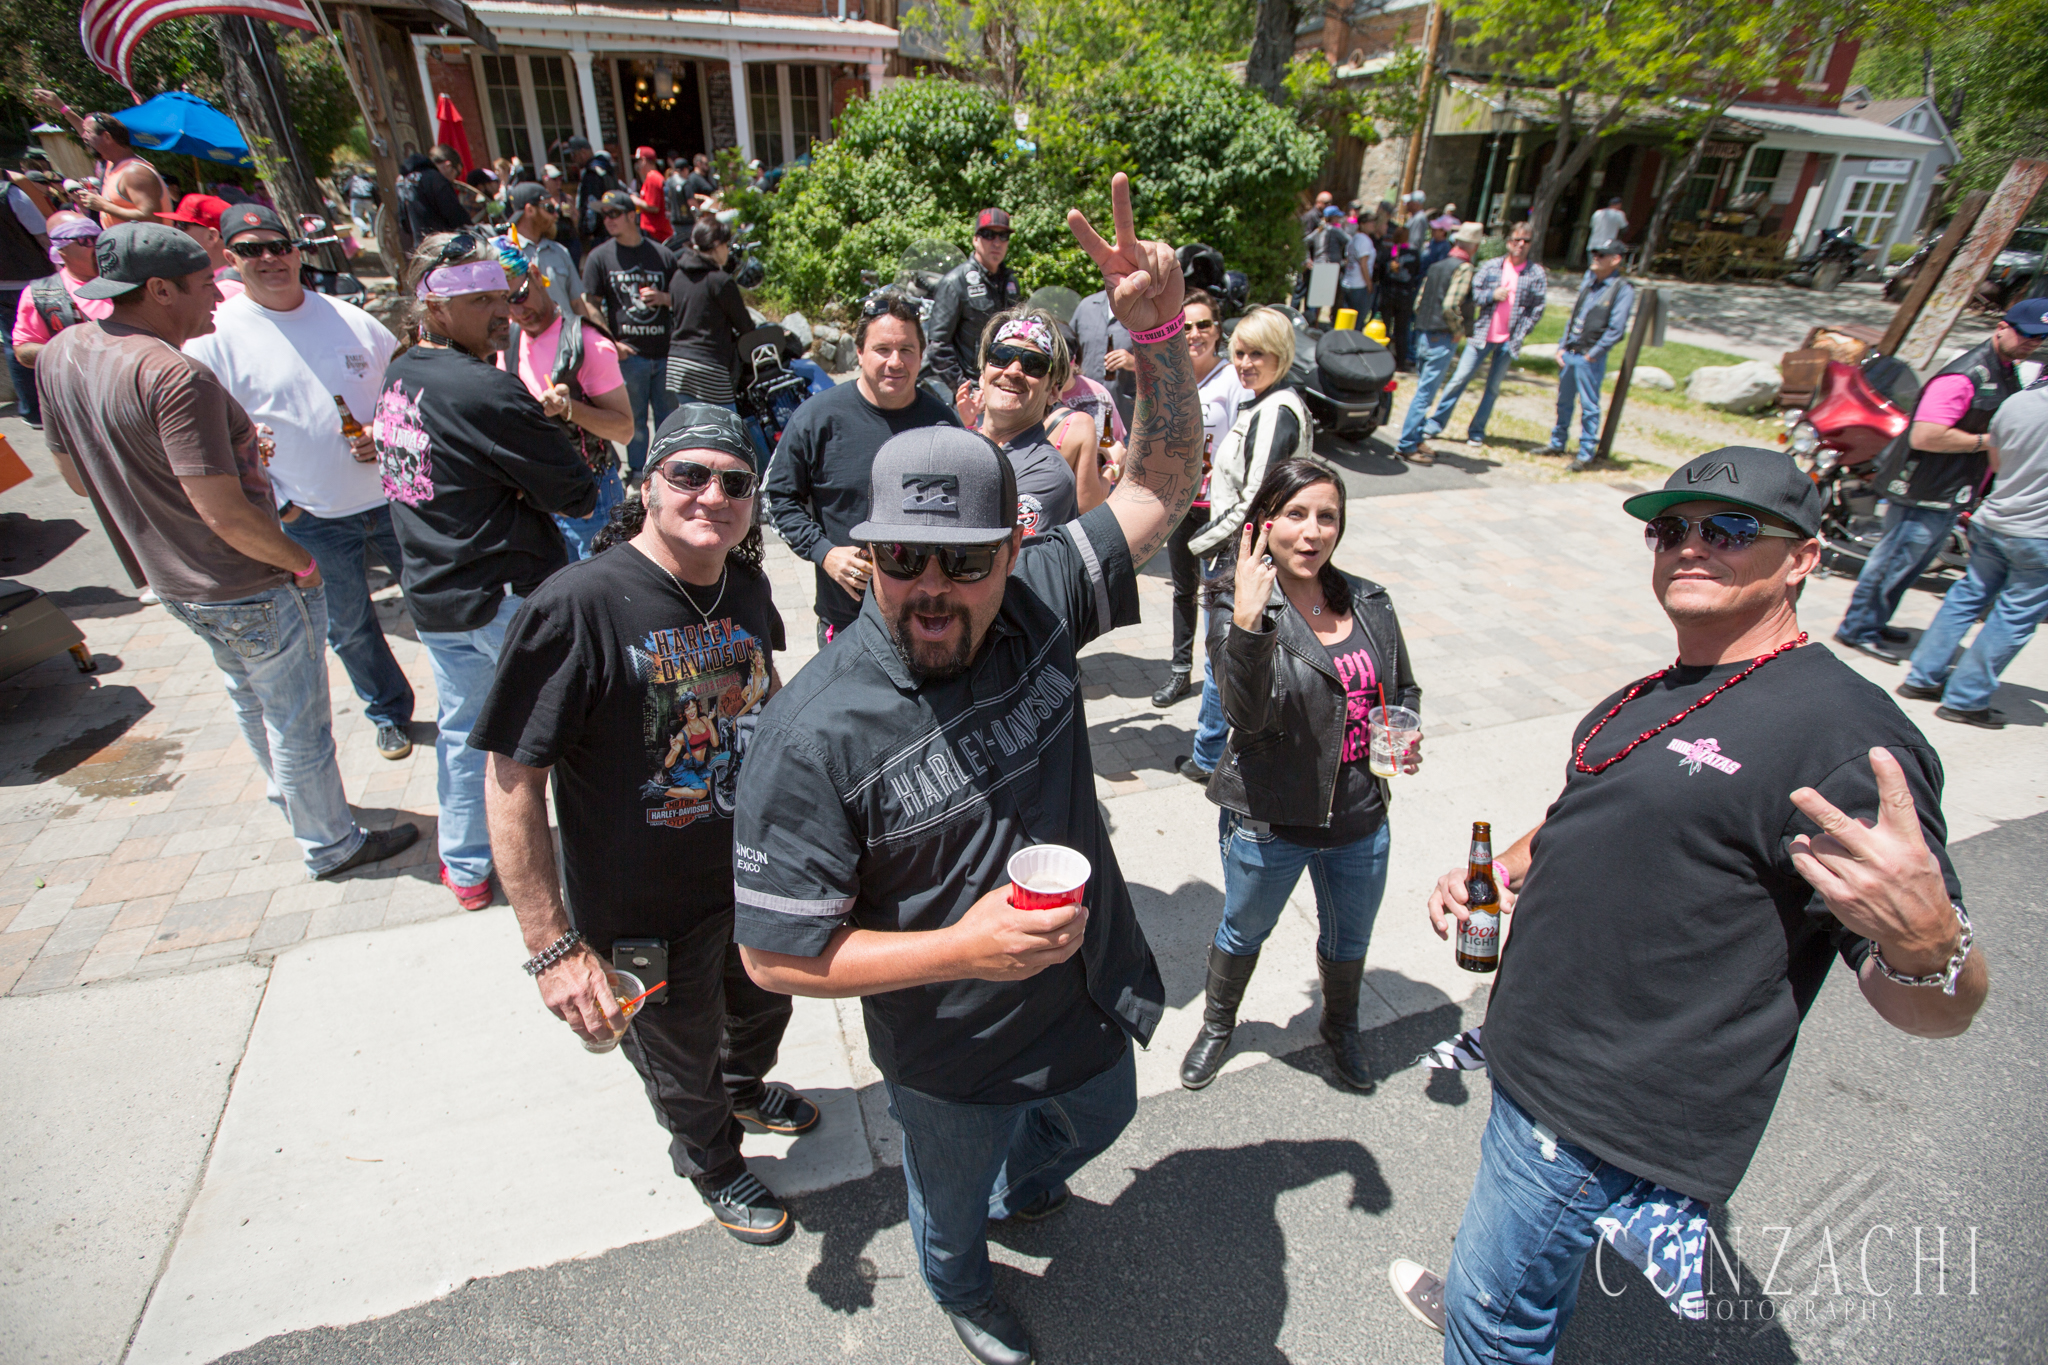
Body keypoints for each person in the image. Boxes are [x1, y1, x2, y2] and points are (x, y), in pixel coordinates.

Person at [729, 172, 1204, 1365]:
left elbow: (1159, 484)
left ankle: (1022, 1190)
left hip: (1088, 984)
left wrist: (1156, 340)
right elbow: (772, 955)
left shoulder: (1044, 599)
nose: (930, 590)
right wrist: (963, 950)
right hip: (948, 1046)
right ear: (869, 553)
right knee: (947, 1208)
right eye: (902, 559)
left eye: (962, 561)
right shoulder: (811, 732)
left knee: (1098, 1118)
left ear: (1010, 550)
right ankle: (960, 1288)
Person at [1391, 444, 1987, 1364]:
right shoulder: (1672, 686)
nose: (1692, 545)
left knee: (1497, 1319)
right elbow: (1606, 796)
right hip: (1534, 1054)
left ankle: (1489, 1317)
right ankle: (1499, 1286)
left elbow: (1936, 1003)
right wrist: (1507, 867)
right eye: (1671, 528)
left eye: (1732, 529)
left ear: (1803, 557)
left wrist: (1933, 941)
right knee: (1518, 1252)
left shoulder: (1844, 741)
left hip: (1597, 1110)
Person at [476, 404, 822, 1248]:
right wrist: (552, 946)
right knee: (678, 1057)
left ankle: (744, 1088)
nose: (713, 496)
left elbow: (764, 691)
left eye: (735, 481)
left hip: (749, 881)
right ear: (646, 485)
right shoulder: (577, 607)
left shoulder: (745, 584)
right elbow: (512, 780)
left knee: (763, 1010)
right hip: (639, 914)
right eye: (689, 474)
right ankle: (712, 1158)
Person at [39, 223, 419, 879]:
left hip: (174, 581)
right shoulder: (174, 373)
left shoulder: (61, 353)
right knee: (299, 722)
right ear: (159, 290)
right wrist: (299, 562)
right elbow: (222, 512)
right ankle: (331, 843)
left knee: (251, 700)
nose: (218, 296)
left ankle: (293, 802)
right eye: (202, 283)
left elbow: (77, 478)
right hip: (246, 581)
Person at [1180, 457, 1422, 1092]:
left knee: (1350, 937)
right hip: (1272, 818)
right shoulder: (1234, 600)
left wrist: (1405, 730)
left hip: (1360, 815)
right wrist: (1248, 624)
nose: (1313, 532)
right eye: (1296, 514)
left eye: (1327, 517)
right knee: (1243, 929)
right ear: (1264, 522)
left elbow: (1403, 689)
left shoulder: (1369, 600)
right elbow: (1243, 715)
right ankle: (1217, 1024)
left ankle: (1341, 1026)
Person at [372, 232, 596, 910]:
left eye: (505, 295)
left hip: (435, 592)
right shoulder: (486, 390)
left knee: (465, 733)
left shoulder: (402, 371)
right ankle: (581, 866)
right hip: (500, 602)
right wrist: (523, 482)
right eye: (481, 301)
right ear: (435, 307)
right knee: (556, 739)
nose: (502, 311)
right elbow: (577, 491)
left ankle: (466, 865)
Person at [183, 203, 417, 762]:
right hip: (311, 516)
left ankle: (474, 701)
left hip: (395, 500)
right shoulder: (215, 338)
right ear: (229, 257)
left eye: (279, 246)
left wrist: (386, 433)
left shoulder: (349, 318)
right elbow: (208, 437)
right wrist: (284, 506)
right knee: (350, 627)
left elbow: (408, 390)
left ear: (296, 251)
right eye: (251, 250)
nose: (269, 258)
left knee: (436, 604)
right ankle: (388, 711)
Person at [1834, 299, 2044, 661]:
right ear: (2002, 327)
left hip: (1949, 489)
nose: (2031, 342)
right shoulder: (1966, 375)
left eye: (2039, 338)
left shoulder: (2005, 368)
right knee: (1892, 563)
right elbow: (1925, 435)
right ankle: (1857, 630)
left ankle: (1874, 622)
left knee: (1909, 566)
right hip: (1923, 488)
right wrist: (1988, 442)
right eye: (2025, 334)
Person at [765, 291, 960, 647]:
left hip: (926, 619)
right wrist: (823, 552)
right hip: (846, 622)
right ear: (859, 352)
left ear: (921, 354)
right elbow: (776, 498)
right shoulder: (817, 418)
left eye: (906, 350)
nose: (895, 362)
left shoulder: (943, 424)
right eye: (882, 349)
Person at [1178, 306, 1313, 782]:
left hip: (1244, 555)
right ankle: (1218, 753)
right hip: (1245, 552)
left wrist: (1201, 544)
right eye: (1239, 353)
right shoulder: (1268, 402)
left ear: (1281, 354)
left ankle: (1210, 757)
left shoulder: (1276, 410)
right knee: (1235, 656)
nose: (1245, 363)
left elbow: (1258, 500)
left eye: (1258, 354)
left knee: (1226, 656)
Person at [1897, 373, 2048, 727]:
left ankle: (1922, 678)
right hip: (2038, 534)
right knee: (2014, 615)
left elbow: (1997, 461)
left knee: (1966, 596)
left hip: (1994, 518)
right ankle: (1965, 699)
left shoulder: (2018, 401)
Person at [496, 237, 633, 560]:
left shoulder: (587, 343)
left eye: (520, 295)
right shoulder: (510, 340)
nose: (518, 311)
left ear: (535, 274)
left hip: (591, 494)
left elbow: (624, 430)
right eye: (505, 304)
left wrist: (569, 408)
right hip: (540, 496)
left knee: (602, 586)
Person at [1151, 288, 1245, 708]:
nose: (1194, 334)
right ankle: (1179, 671)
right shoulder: (1173, 375)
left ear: (1217, 330)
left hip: (1219, 508)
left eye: (1203, 325)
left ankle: (1220, 676)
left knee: (1219, 592)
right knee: (1183, 589)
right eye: (1185, 326)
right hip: (1181, 502)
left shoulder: (1233, 379)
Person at [1419, 221, 1546, 450]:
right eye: (1517, 239)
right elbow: (1473, 295)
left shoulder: (1535, 273)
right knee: (1459, 379)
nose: (1521, 244)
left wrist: (1522, 330)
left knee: (1493, 388)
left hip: (1510, 339)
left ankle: (1477, 431)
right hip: (1482, 334)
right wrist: (1491, 295)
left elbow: (1537, 307)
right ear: (1508, 242)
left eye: (1526, 241)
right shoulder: (1491, 266)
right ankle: (1435, 424)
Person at [952, 309, 1078, 535]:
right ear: (983, 376)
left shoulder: (1047, 475)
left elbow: (1002, 555)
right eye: (1001, 356)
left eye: (1034, 364)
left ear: (1053, 391)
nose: (1013, 371)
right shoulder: (955, 449)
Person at [580, 189, 678, 480]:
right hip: (628, 354)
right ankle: (637, 474)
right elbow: (590, 303)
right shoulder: (600, 257)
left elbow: (683, 297)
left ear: (632, 216)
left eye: (614, 214)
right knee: (633, 420)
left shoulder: (662, 254)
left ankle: (668, 471)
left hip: (664, 351)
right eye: (604, 215)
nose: (608, 220)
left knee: (669, 419)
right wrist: (610, 343)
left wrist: (663, 298)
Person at [1395, 222, 1482, 466]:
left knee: (1423, 388)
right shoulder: (1464, 268)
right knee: (1425, 393)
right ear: (1474, 246)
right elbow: (1450, 305)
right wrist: (1458, 330)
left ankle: (1416, 437)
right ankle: (1407, 444)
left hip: (1424, 331)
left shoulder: (1436, 265)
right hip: (1441, 334)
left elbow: (1419, 301)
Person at [1548, 239, 1634, 469]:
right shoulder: (1590, 283)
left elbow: (1616, 330)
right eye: (1594, 253)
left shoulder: (1621, 289)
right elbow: (1574, 318)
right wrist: (1562, 346)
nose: (1595, 258)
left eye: (1601, 255)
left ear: (1615, 259)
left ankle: (1586, 454)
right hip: (1571, 352)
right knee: (1563, 401)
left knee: (1589, 406)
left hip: (1589, 357)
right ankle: (1557, 443)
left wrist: (1593, 354)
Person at [922, 208, 1021, 400]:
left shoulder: (1011, 282)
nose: (997, 242)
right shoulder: (955, 282)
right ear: (975, 239)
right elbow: (938, 347)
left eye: (1003, 236)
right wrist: (965, 390)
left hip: (1003, 386)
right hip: (972, 391)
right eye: (989, 234)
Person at [30, 94, 167, 228]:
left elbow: (151, 218)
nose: (84, 137)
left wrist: (102, 205)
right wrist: (61, 107)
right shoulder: (112, 164)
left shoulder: (135, 172)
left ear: (107, 137)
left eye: (88, 133)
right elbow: (85, 131)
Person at [664, 216, 753, 410]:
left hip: (677, 364)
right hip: (709, 364)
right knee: (725, 423)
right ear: (716, 245)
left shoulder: (678, 277)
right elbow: (745, 326)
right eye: (726, 245)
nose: (727, 250)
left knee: (693, 424)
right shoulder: (720, 281)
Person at [14, 216, 112, 374]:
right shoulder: (42, 294)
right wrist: (75, 352)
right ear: (62, 249)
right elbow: (23, 350)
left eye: (99, 237)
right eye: (85, 239)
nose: (97, 246)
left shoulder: (131, 280)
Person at [0, 174, 50, 425]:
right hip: (30, 282)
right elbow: (43, 236)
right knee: (49, 338)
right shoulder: (12, 194)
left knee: (13, 343)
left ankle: (31, 410)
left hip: (4, 285)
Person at [501, 183, 582, 319]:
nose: (556, 215)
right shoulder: (504, 254)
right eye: (549, 208)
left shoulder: (560, 251)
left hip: (567, 331)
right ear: (530, 210)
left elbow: (577, 303)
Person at [1073, 285, 1136, 430]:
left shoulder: (1144, 311)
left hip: (1125, 419)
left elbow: (1163, 364)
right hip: (1082, 412)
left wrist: (1134, 363)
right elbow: (1069, 349)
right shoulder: (1086, 307)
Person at [158, 194, 244, 301]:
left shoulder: (227, 289)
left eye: (182, 225)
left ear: (211, 236)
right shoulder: (234, 279)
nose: (175, 231)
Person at [396, 151, 469, 245]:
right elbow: (455, 215)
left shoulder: (402, 181)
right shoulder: (436, 179)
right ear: (447, 166)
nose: (453, 180)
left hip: (420, 245)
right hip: (441, 243)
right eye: (456, 174)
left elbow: (404, 221)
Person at [631, 147, 673, 243]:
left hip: (655, 232)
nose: (637, 165)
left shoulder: (652, 177)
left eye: (638, 161)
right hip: (655, 231)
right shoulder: (652, 177)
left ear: (644, 161)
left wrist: (635, 200)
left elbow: (653, 207)